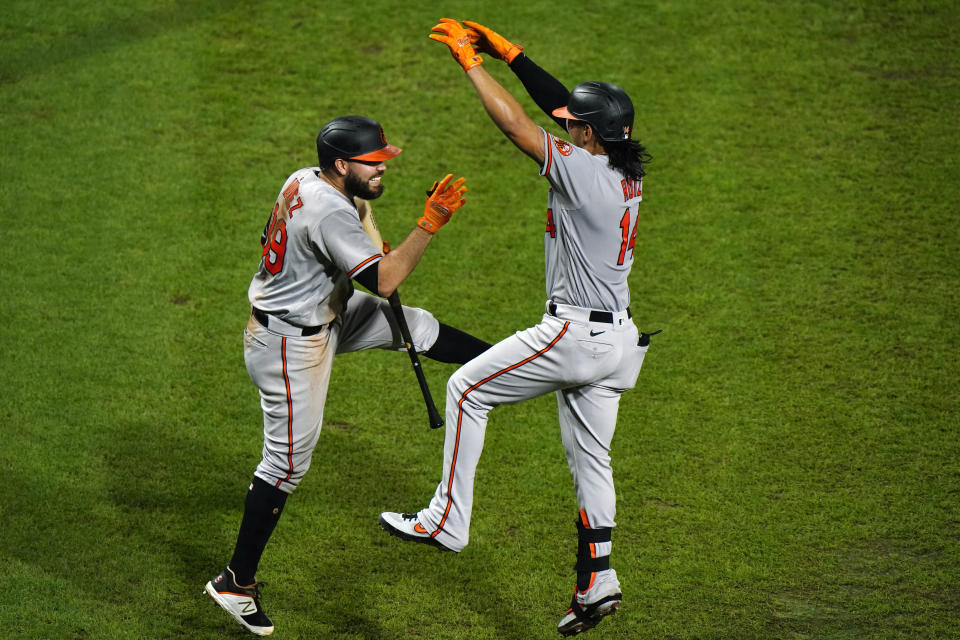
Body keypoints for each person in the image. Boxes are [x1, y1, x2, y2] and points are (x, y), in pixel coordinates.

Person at [378, 20, 656, 637]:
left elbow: (518, 128)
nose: (566, 125)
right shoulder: (623, 169)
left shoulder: (581, 173)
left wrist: (470, 65)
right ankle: (598, 578)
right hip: (617, 346)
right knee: (592, 461)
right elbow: (564, 110)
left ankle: (447, 518)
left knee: (467, 391)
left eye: (574, 125)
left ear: (587, 134)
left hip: (577, 336)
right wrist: (510, 53)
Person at [204, 115, 491, 636]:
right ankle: (235, 583)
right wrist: (428, 223)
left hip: (323, 310)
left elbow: (362, 238)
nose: (383, 169)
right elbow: (384, 278)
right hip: (290, 344)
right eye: (373, 164)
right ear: (342, 165)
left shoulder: (305, 177)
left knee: (416, 326)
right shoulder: (329, 212)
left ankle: (520, 365)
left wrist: (367, 223)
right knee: (286, 464)